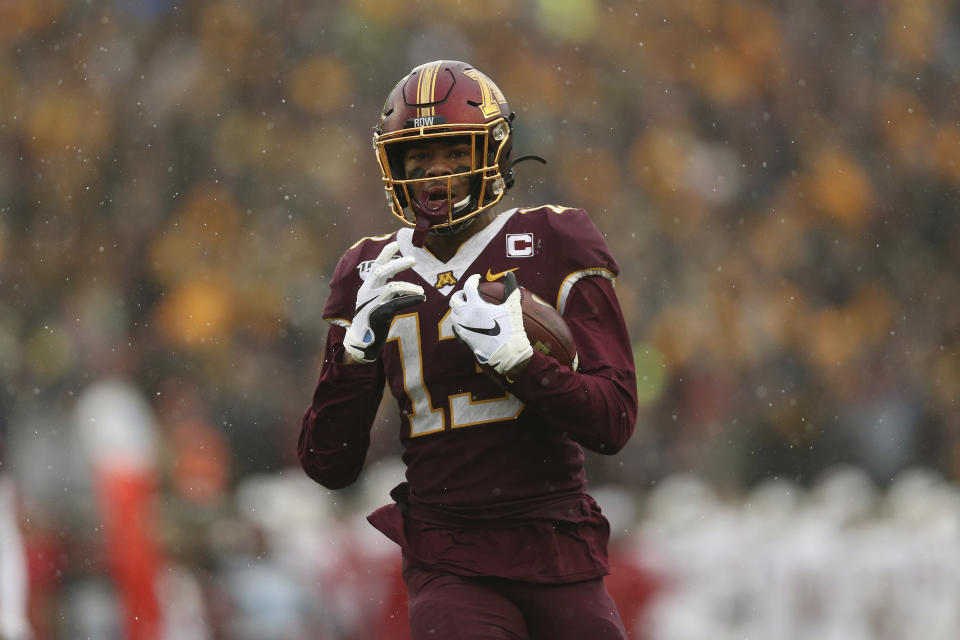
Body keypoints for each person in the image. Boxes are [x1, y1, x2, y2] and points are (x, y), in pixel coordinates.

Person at [298, 60, 638, 639]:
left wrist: (522, 365)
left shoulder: (555, 238)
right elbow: (329, 464)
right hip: (449, 553)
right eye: (418, 157)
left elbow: (614, 422)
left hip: (558, 545)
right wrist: (353, 360)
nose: (435, 174)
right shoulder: (369, 268)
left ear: (494, 151)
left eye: (455, 152)